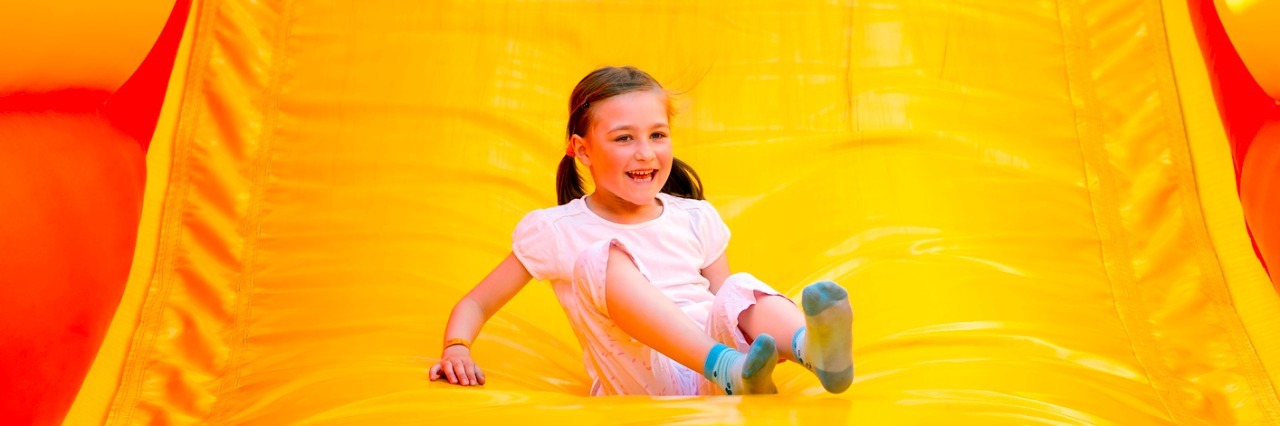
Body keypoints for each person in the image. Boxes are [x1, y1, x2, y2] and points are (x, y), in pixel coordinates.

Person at [429, 66, 853, 396]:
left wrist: (761, 346)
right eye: (624, 138)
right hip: (638, 378)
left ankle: (809, 349)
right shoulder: (557, 230)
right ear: (582, 150)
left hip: (724, 374)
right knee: (599, 258)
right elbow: (477, 303)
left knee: (740, 287)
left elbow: (728, 306)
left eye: (657, 134)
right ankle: (728, 369)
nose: (645, 152)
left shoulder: (694, 216)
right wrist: (457, 347)